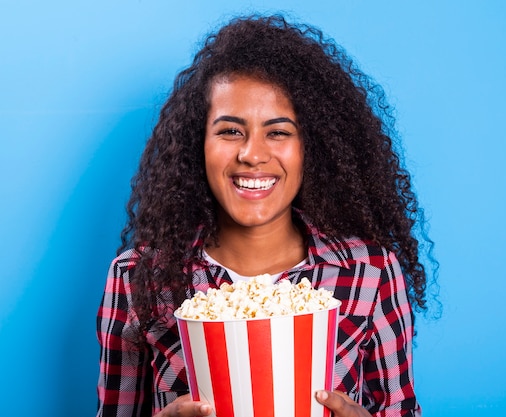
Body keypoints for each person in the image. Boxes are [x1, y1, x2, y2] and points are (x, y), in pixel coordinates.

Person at [97, 13, 436, 417]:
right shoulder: (139, 276)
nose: (252, 154)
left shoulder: (370, 272)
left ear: (313, 147)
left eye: (278, 132)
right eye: (230, 131)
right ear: (197, 145)